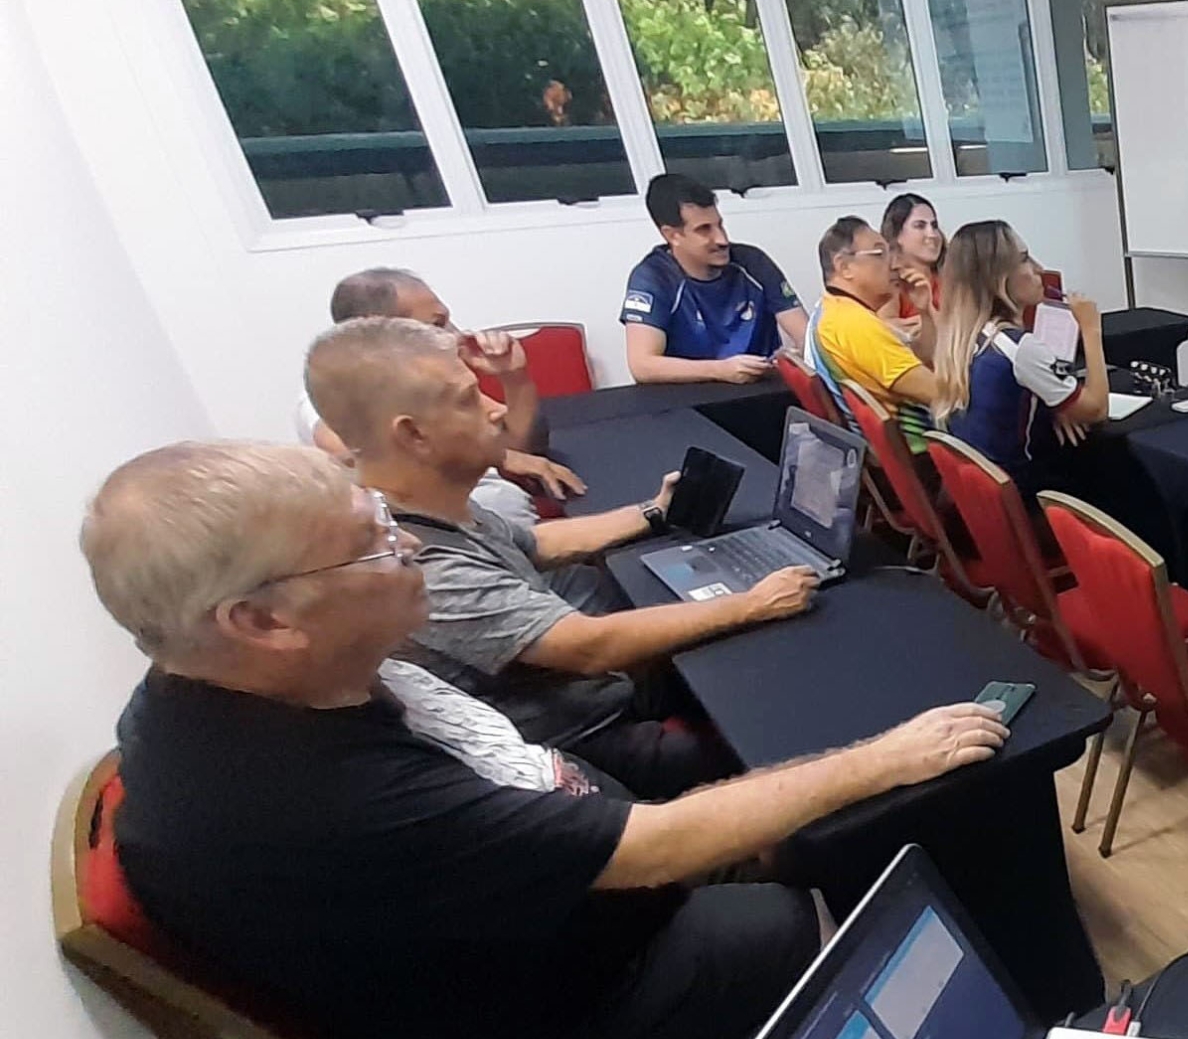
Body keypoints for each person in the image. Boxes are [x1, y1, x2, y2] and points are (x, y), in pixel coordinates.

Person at [84, 439, 1007, 1039]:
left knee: (794, 790)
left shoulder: (219, 691)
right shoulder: (311, 803)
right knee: (829, 868)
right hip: (558, 1026)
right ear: (260, 619)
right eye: (372, 545)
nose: (408, 546)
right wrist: (887, 755)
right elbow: (651, 849)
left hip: (529, 928)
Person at [307, 317, 820, 799]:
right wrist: (752, 603)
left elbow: (537, 544)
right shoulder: (420, 563)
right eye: (469, 400)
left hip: (595, 696)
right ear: (412, 434)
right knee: (784, 731)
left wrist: (654, 512)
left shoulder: (423, 504)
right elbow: (587, 647)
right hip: (585, 740)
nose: (496, 408)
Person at [297, 267, 584, 527]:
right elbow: (349, 452)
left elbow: (523, 446)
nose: (454, 335)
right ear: (382, 330)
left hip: (511, 536)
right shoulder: (332, 391)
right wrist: (504, 457)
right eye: (437, 325)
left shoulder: (427, 378)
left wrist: (515, 377)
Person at [931, 219, 1108, 490]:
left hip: (984, 500)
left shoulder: (961, 339)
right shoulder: (1018, 348)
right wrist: (1091, 329)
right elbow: (1097, 409)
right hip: (1025, 494)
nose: (1038, 269)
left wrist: (1052, 403)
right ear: (998, 277)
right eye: (1025, 259)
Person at [623, 173, 808, 384]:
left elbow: (806, 337)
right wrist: (720, 370)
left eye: (720, 225)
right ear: (672, 235)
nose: (722, 239)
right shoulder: (653, 277)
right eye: (704, 230)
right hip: (691, 399)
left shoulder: (753, 262)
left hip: (763, 391)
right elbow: (642, 365)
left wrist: (799, 355)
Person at [810, 214, 938, 451]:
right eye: (880, 254)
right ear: (844, 267)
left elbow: (924, 360)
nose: (896, 264)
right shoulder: (856, 324)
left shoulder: (830, 309)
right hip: (923, 456)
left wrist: (925, 312)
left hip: (888, 455)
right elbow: (940, 393)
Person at [882, 191, 946, 315]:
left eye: (934, 225)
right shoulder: (890, 282)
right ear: (897, 234)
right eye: (920, 226)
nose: (932, 234)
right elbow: (889, 327)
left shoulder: (950, 277)